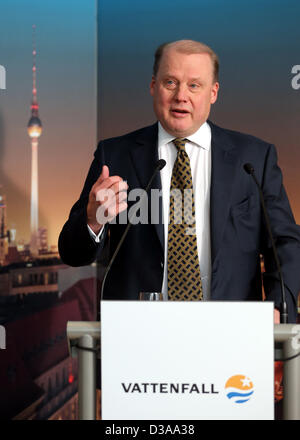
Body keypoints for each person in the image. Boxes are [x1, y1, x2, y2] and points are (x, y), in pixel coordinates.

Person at [58, 39, 300, 323]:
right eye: (170, 82)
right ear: (153, 86)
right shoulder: (115, 155)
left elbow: (285, 242)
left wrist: (277, 306)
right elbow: (72, 252)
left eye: (194, 85)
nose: (181, 96)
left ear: (213, 93)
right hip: (138, 337)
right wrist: (93, 219)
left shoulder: (254, 159)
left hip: (232, 333)